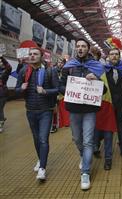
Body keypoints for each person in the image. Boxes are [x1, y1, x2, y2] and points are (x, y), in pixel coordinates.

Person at [60, 38, 106, 190]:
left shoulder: (96, 67)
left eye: (83, 46)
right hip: (74, 109)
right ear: (76, 49)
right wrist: (70, 88)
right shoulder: (69, 66)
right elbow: (61, 86)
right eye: (78, 46)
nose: (80, 48)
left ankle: (85, 172)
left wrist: (97, 80)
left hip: (89, 110)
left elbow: (104, 90)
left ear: (88, 48)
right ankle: (83, 155)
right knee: (77, 138)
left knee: (87, 141)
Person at [15, 46, 59, 181]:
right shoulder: (24, 71)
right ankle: (40, 159)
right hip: (30, 111)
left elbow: (57, 89)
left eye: (35, 54)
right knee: (36, 138)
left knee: (43, 139)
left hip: (46, 110)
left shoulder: (50, 71)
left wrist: (45, 91)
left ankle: (42, 168)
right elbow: (17, 89)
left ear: (41, 56)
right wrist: (20, 88)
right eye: (30, 54)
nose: (32, 56)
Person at [104, 48, 122, 157]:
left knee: (121, 127)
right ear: (108, 57)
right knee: (107, 128)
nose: (114, 56)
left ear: (119, 56)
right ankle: (106, 151)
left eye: (116, 54)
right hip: (109, 104)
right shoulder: (104, 70)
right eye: (112, 54)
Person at [0, 56, 12, 132]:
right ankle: (2, 118)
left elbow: (9, 67)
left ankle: (0, 124)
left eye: (1, 62)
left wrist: (2, 58)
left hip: (2, 94)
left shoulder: (5, 71)